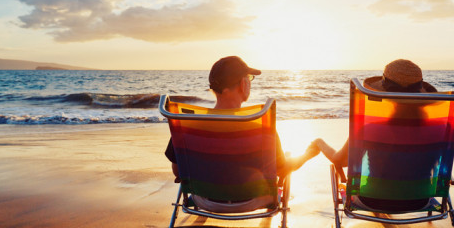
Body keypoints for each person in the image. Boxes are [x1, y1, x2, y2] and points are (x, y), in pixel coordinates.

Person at [165, 56, 319, 183]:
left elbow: (178, 170)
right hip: (251, 201)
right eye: (249, 78)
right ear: (243, 84)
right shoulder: (261, 126)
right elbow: (281, 170)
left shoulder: (188, 125)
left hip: (203, 199)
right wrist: (306, 155)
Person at [312, 59, 440, 211]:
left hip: (371, 200)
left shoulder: (370, 129)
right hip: (420, 201)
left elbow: (341, 161)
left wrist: (320, 143)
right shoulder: (438, 131)